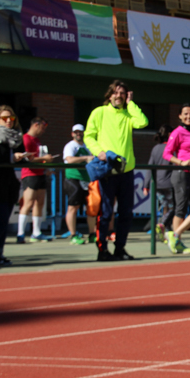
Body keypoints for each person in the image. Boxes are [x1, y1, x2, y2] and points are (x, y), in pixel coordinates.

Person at [84, 80, 149, 261]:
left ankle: (120, 248)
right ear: (109, 95)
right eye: (116, 92)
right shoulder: (99, 112)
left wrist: (131, 103)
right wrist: (99, 152)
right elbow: (88, 136)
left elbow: (143, 122)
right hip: (108, 171)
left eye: (123, 93)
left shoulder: (129, 115)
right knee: (105, 212)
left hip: (127, 171)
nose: (119, 96)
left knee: (126, 213)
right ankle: (102, 250)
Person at [0, 106, 31, 266]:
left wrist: (26, 157)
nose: (9, 121)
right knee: (1, 219)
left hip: (10, 183)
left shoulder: (17, 136)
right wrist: (12, 157)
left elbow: (21, 157)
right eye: (4, 118)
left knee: (5, 220)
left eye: (11, 118)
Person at [163, 104, 190, 255]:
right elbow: (166, 154)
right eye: (186, 114)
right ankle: (177, 242)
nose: (189, 117)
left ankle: (174, 235)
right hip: (181, 173)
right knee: (180, 209)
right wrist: (181, 162)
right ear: (180, 116)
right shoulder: (177, 132)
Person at [17, 117, 55, 243]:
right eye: (43, 127)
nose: (43, 131)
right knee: (28, 202)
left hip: (40, 173)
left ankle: (36, 232)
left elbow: (38, 158)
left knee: (40, 202)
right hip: (29, 174)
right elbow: (27, 158)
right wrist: (44, 158)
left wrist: (46, 165)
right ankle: (20, 233)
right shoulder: (26, 138)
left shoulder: (37, 140)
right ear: (36, 125)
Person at [62, 124, 95, 245]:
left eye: (80, 132)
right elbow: (69, 159)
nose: (78, 134)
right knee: (73, 207)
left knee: (91, 208)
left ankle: (92, 234)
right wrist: (85, 158)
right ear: (72, 133)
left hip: (87, 180)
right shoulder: (70, 146)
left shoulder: (87, 146)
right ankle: (73, 235)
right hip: (73, 179)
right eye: (76, 132)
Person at [143, 124, 175, 239]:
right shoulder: (172, 149)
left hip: (157, 183)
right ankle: (163, 224)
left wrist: (145, 185)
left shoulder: (155, 148)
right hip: (170, 183)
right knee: (174, 207)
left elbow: (150, 167)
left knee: (165, 206)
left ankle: (164, 229)